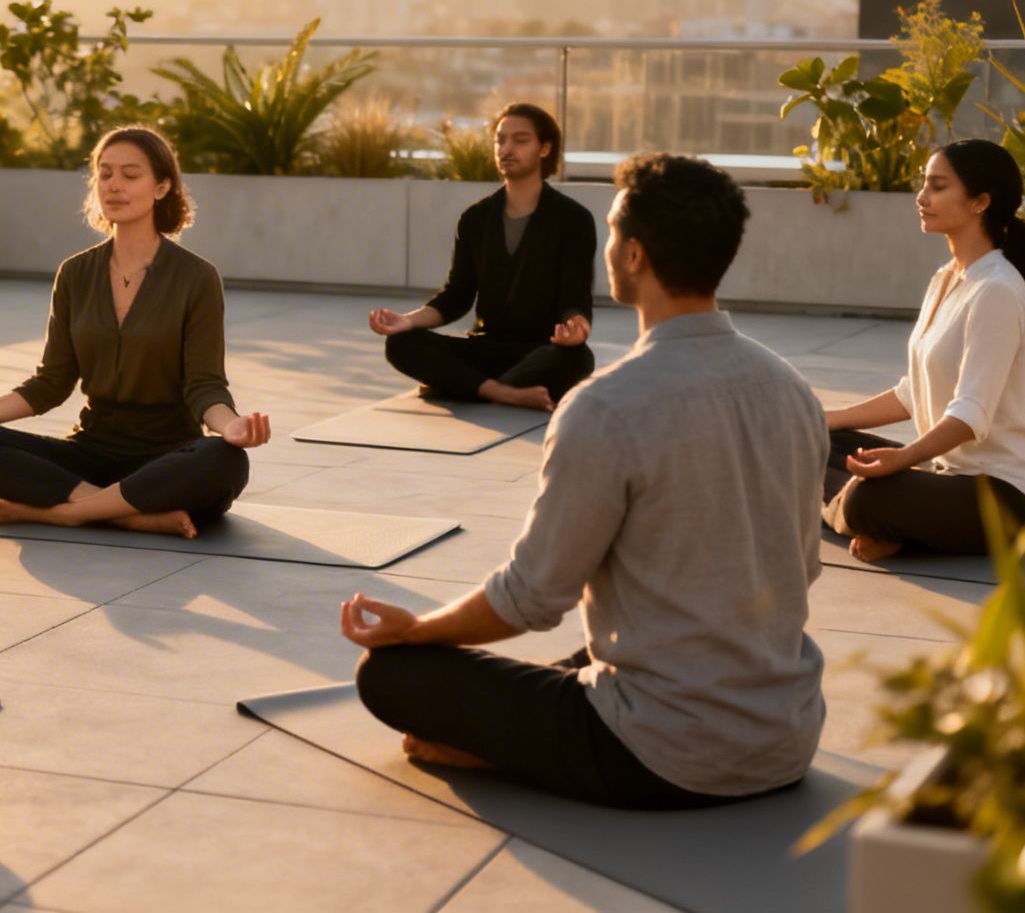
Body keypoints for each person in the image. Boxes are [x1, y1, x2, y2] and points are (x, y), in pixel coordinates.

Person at [342, 153, 827, 810]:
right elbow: (801, 568)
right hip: (785, 738)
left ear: (632, 256)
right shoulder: (792, 389)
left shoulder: (606, 406)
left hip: (661, 756)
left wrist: (415, 630)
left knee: (394, 677)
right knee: (594, 650)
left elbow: (530, 599)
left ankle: (497, 747)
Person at [0, 126, 269, 539]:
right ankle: (124, 513)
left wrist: (229, 426)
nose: (114, 186)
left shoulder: (196, 277)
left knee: (225, 461)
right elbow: (51, 384)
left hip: (167, 457)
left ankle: (68, 512)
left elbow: (204, 385)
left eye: (130, 174)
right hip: (91, 452)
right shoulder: (75, 273)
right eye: (104, 174)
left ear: (162, 187)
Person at [823, 139, 1025, 561]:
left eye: (937, 186)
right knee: (814, 444)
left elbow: (970, 416)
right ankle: (880, 525)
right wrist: (829, 420)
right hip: (945, 477)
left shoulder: (997, 290)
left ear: (979, 202)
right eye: (924, 184)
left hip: (1005, 499)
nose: (922, 197)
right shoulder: (947, 278)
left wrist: (902, 459)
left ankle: (864, 516)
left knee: (864, 497)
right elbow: (914, 391)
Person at [368, 102, 596, 411]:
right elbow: (456, 297)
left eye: (520, 140)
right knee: (401, 344)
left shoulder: (573, 219)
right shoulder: (475, 219)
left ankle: (466, 385)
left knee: (578, 358)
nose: (506, 148)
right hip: (484, 348)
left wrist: (576, 326)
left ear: (544, 148)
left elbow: (575, 298)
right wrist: (405, 321)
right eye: (500, 139)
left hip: (540, 352)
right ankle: (504, 392)